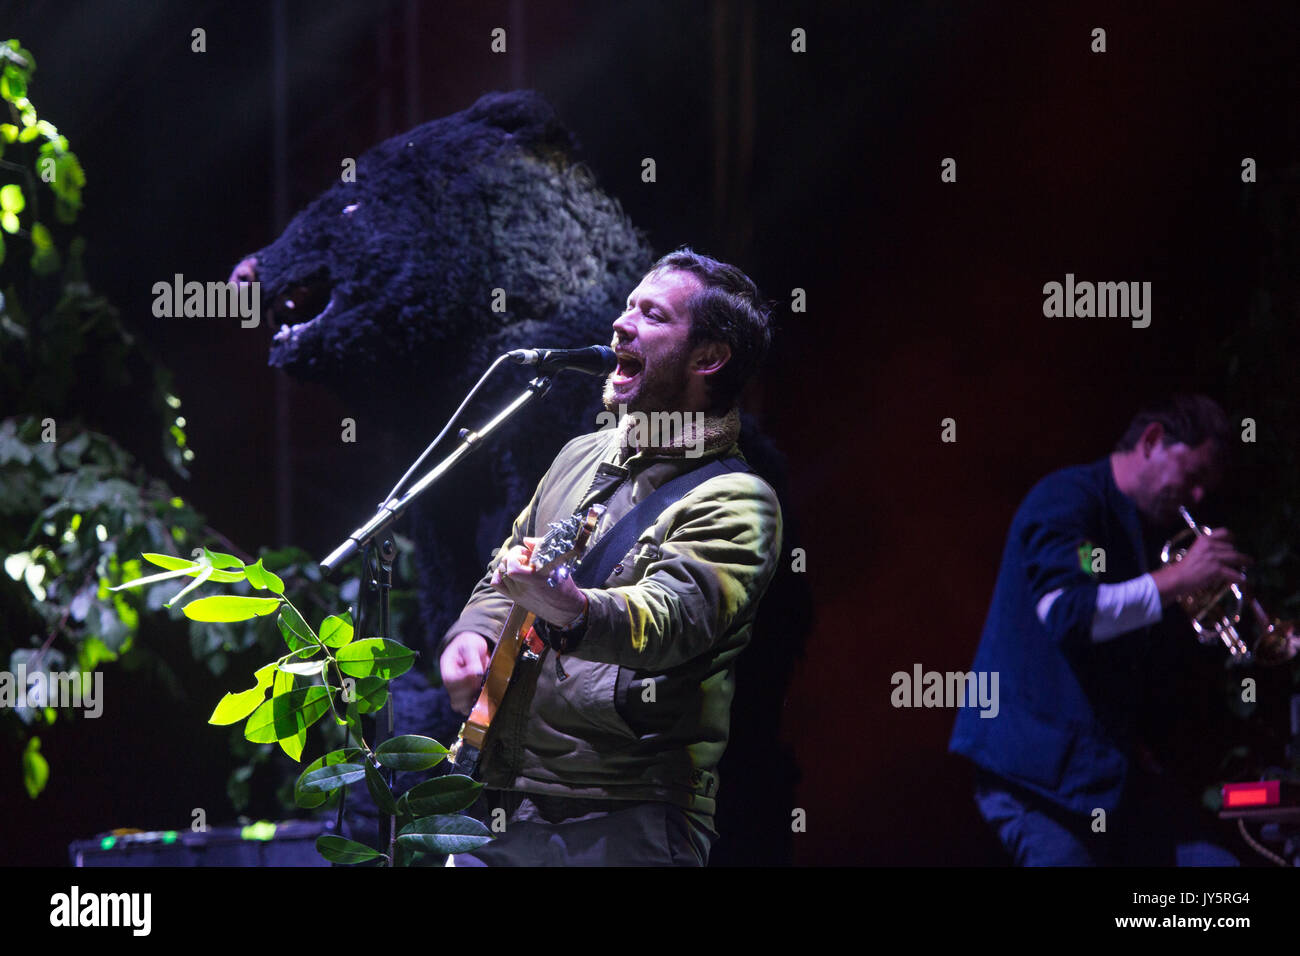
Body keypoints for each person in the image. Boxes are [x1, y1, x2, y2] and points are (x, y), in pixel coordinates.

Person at [438, 248, 782, 866]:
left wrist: (571, 608)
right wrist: (475, 632)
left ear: (708, 357)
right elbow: (508, 568)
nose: (622, 324)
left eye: (652, 316)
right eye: (628, 306)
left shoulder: (738, 499)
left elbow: (672, 622)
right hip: (498, 792)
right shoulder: (579, 454)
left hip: (625, 810)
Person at [949, 395, 1249, 866]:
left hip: (1101, 778)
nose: (1197, 499)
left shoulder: (1138, 531)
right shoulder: (1067, 499)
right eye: (1192, 478)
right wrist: (1178, 579)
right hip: (1038, 780)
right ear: (1152, 441)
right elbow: (1069, 612)